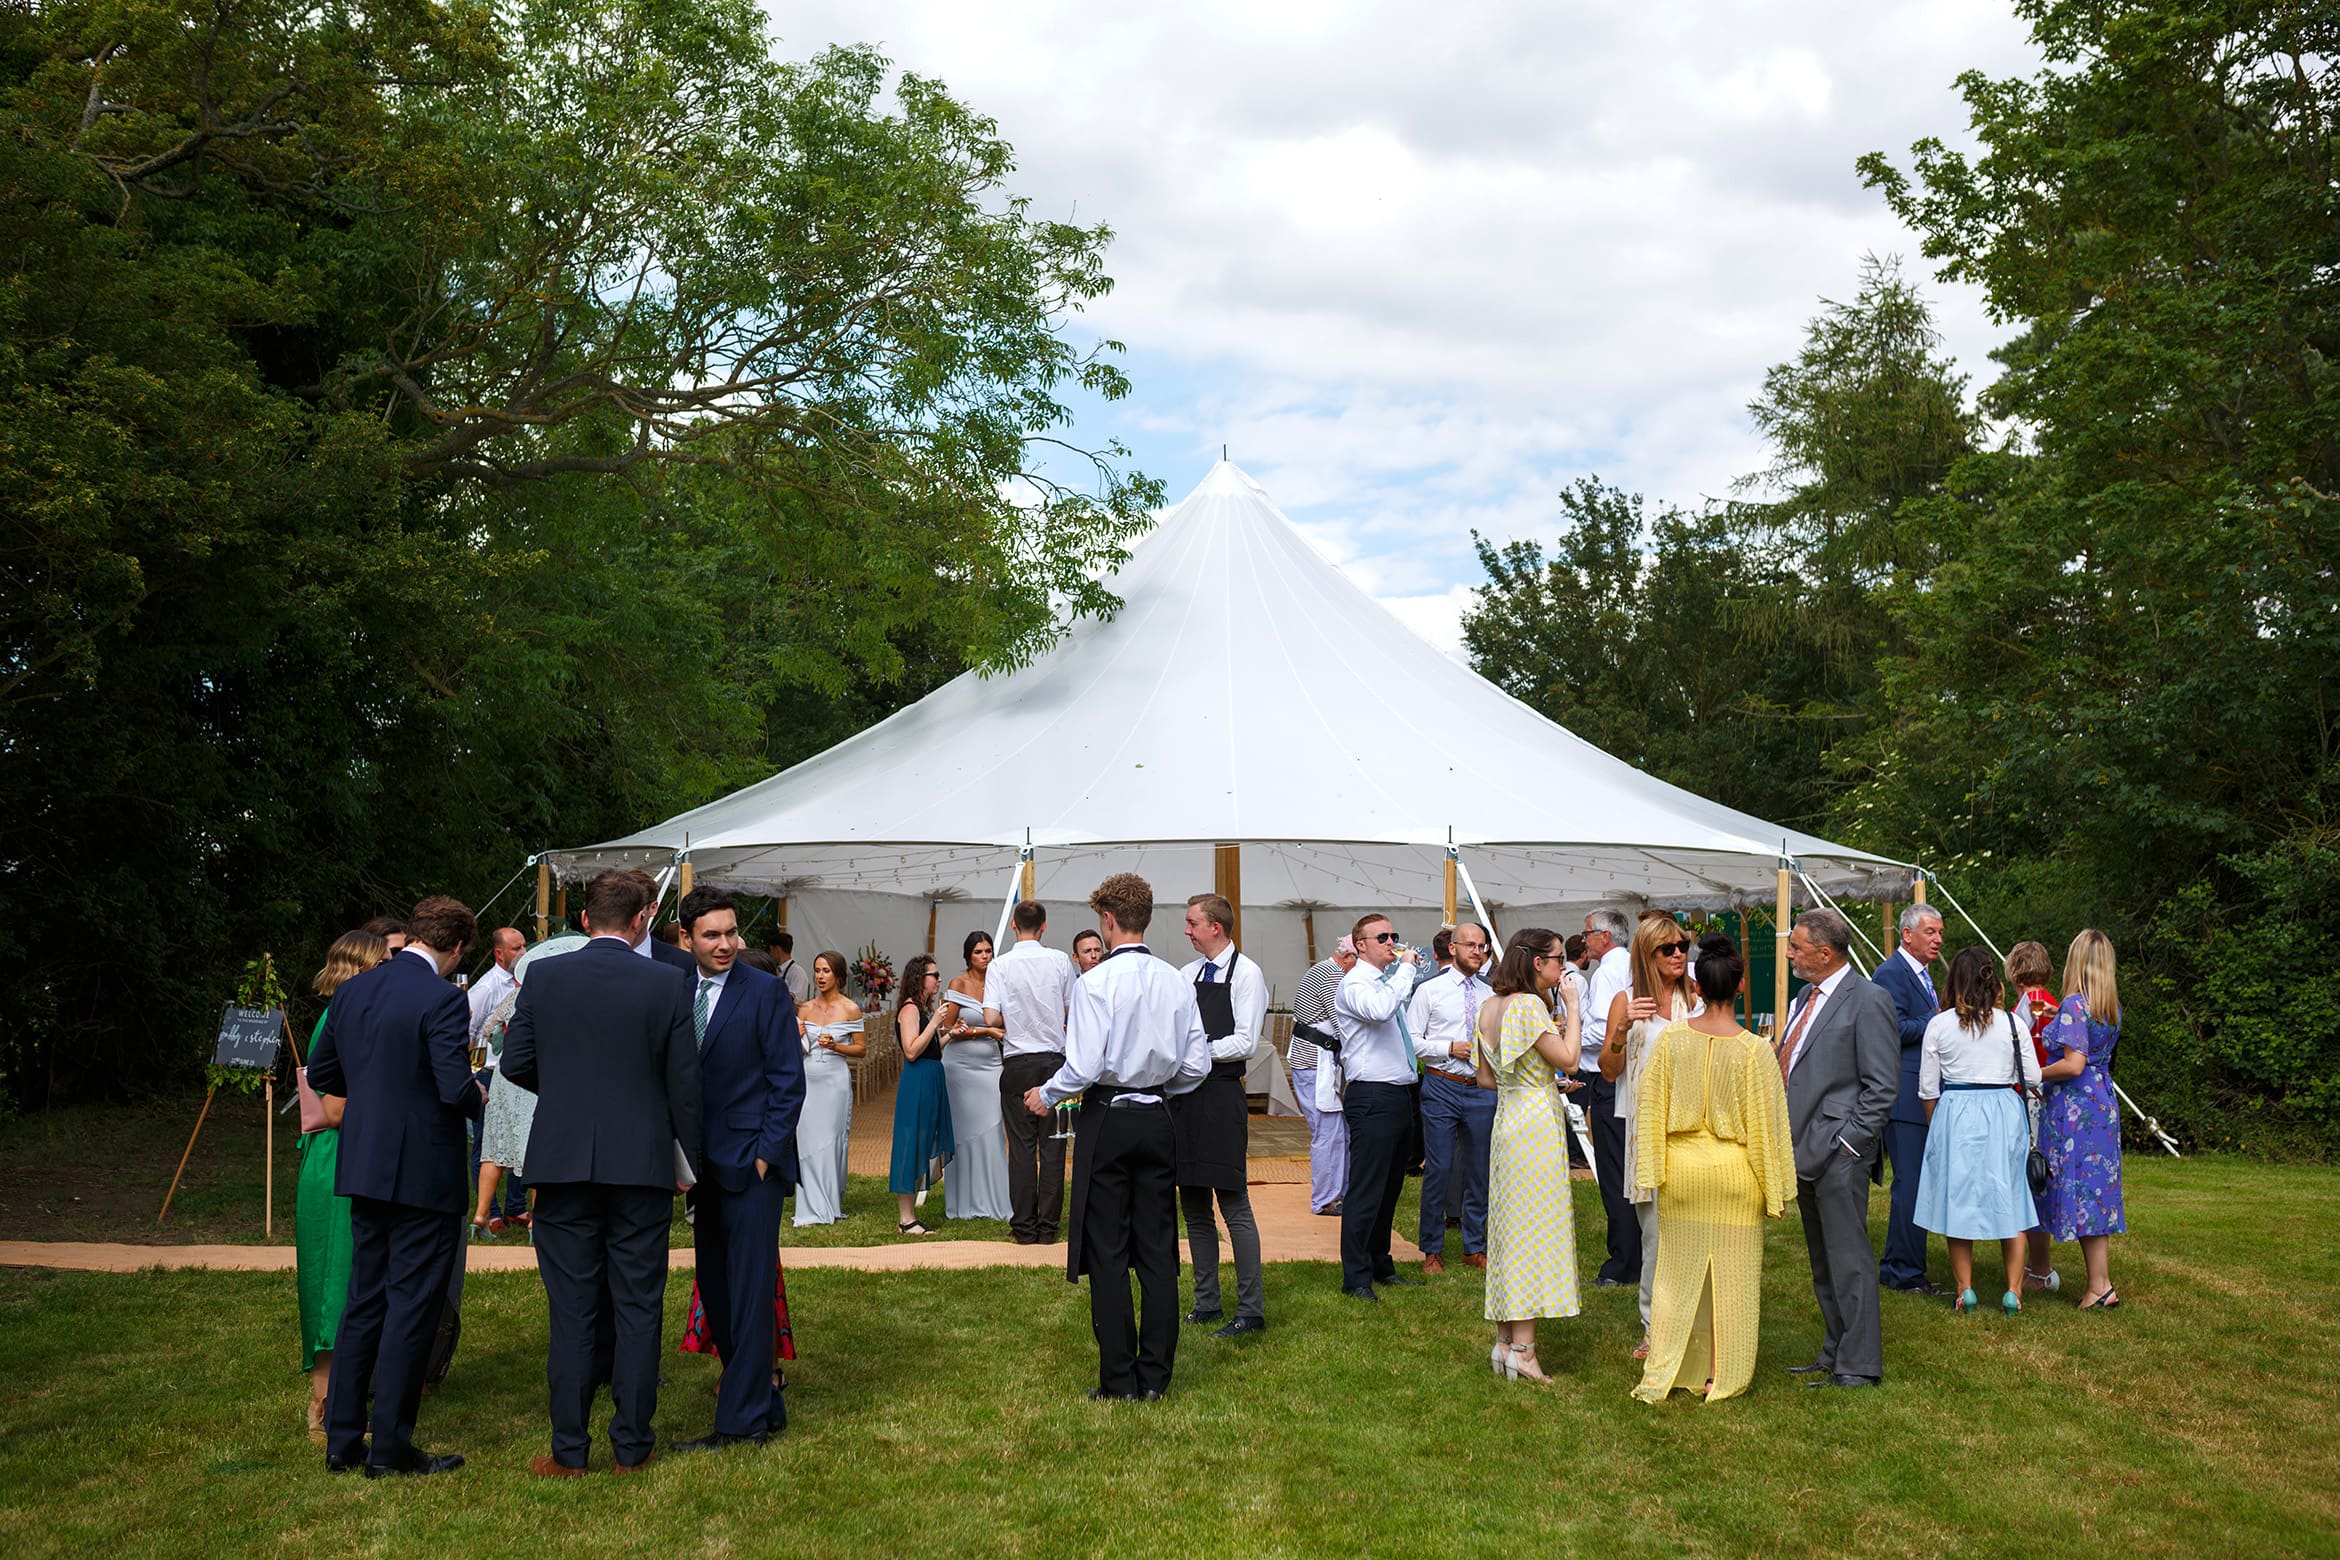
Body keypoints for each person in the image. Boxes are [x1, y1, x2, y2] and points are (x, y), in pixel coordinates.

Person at [500, 869, 702, 1477]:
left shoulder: (544, 975)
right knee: (639, 1305)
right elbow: (684, 1086)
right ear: (640, 919)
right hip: (639, 1162)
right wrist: (693, 1165)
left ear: (585, 919)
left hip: (562, 1162)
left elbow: (515, 1063)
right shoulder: (668, 982)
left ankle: (569, 1449)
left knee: (572, 1309)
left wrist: (564, 1097)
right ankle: (633, 1447)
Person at [305, 896, 486, 1477]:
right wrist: (478, 1092)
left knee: (365, 1298)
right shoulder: (442, 998)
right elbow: (452, 1086)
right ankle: (389, 1449)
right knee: (411, 1305)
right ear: (456, 948)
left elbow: (327, 1073)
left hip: (364, 1163)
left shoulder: (355, 991)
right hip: (424, 1172)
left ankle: (341, 1441)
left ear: (411, 934)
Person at [1020, 872, 1210, 1400]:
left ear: (1106, 922)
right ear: (1145, 917)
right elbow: (1196, 1063)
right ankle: (1155, 1379)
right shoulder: (1177, 980)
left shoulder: (1094, 982)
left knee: (1106, 1250)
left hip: (1107, 1116)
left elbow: (1081, 1066)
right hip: (1157, 1117)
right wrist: (1159, 1086)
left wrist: (1047, 1094)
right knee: (1156, 1246)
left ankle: (1120, 1380)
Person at [669, 887, 804, 1453]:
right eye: (711, 935)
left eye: (731, 933)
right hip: (697, 1170)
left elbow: (787, 1081)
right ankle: (764, 1404)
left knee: (749, 1293)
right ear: (685, 937)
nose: (725, 944)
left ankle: (740, 1423)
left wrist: (765, 1156)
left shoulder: (766, 991)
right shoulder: (673, 989)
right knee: (719, 1293)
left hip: (751, 1168)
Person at [1631, 934, 1793, 1404]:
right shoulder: (1755, 1050)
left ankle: (1664, 1370)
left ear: (1696, 986)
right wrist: (1775, 1188)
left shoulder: (1672, 1041)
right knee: (1735, 1281)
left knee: (1673, 1281)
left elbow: (1650, 1109)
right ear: (1741, 987)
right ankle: (1721, 1374)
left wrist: (1652, 1172)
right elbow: (1768, 1125)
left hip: (1682, 1173)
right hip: (1734, 1174)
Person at [1778, 907, 1901, 1390]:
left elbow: (1881, 1086)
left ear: (1824, 953)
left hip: (1838, 1153)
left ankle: (1860, 1363)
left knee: (1849, 1260)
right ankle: (1834, 1350)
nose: (1788, 953)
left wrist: (1849, 1145)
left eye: (1796, 947)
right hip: (1805, 1147)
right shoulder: (1807, 996)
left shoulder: (1868, 999)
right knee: (1823, 1260)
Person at [1474, 928, 1582, 1382]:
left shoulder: (1488, 1007)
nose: (1562, 970)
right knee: (1535, 1232)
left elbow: (1485, 1079)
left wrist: (1533, 1080)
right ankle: (1524, 1349)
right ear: (1537, 963)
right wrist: (1573, 1009)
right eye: (1558, 960)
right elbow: (1571, 1059)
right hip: (1535, 1126)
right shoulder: (1529, 1005)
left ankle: (1505, 1342)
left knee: (1508, 1229)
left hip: (1507, 1120)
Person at [1913, 945, 2044, 1316]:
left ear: (1954, 979)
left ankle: (1965, 1290)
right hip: (2003, 1109)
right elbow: (2032, 1077)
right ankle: (2013, 1291)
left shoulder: (1938, 1025)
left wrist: (1935, 1125)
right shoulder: (2012, 1025)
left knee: (1958, 1201)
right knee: (2012, 1198)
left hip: (1955, 1109)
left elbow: (1927, 1088)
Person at [296, 928, 389, 1440]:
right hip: (336, 1159)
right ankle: (325, 1407)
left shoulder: (346, 1016)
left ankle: (339, 1403)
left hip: (342, 1155)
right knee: (336, 1283)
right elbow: (333, 1107)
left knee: (349, 1278)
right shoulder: (340, 1019)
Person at [1598, 916, 1697, 1353]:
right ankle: (1654, 1325)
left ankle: (1695, 1321)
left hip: (1693, 1127)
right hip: (1647, 1128)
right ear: (1646, 953)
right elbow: (1608, 1069)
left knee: (1692, 1226)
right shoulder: (1627, 1000)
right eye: (1668, 949)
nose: (1678, 954)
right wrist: (1621, 1032)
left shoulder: (1696, 997)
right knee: (1654, 1232)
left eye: (1683, 946)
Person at [1174, 893, 1268, 1338]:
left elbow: (1246, 1041)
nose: (1187, 931)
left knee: (1234, 1206)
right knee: (1193, 1207)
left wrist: (1195, 1053)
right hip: (1184, 1099)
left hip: (1221, 1095)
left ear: (1216, 927)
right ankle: (1206, 1302)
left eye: (1193, 923)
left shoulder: (1247, 974)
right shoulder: (1186, 974)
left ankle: (1250, 1310)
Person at [1331, 913, 1428, 1300]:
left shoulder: (1387, 983)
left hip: (1399, 1093)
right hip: (1372, 1094)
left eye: (1394, 935)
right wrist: (1405, 970)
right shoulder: (1356, 983)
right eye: (1382, 937)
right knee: (1367, 1188)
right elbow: (1379, 1011)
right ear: (1361, 945)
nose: (1392, 942)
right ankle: (1355, 1276)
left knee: (1390, 1187)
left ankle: (1380, 1262)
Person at [2039, 929, 2126, 1310]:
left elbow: (2073, 1064)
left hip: (2076, 1110)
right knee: (2097, 1192)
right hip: (2102, 1103)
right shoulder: (2109, 1006)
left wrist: (2031, 1074)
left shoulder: (2075, 1004)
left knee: (2080, 1190)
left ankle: (2099, 1286)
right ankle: (2101, 1284)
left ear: (2077, 961)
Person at [986, 901, 1079, 1245]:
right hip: (1055, 1063)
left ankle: (1024, 1227)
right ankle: (1048, 1228)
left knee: (1022, 1150)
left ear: (1013, 925)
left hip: (1017, 1062)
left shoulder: (999, 965)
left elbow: (992, 1017)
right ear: (1044, 927)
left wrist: (1014, 1017)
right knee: (1053, 1148)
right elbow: (1071, 1008)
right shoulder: (1058, 961)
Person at [1406, 922, 1495, 1274]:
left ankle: (1475, 1247)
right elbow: (1411, 1041)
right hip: (1442, 1085)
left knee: (1480, 1170)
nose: (1477, 951)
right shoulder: (1430, 991)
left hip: (1481, 1088)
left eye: (1482, 946)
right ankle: (1431, 1249)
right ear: (1453, 948)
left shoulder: (1490, 995)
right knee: (1439, 1169)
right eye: (1470, 945)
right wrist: (1448, 1048)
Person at [1872, 903, 1947, 1295]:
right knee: (1912, 1184)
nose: (1938, 940)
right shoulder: (1890, 974)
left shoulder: (1921, 974)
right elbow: (1891, 1027)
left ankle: (1899, 1265)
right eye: (1930, 932)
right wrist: (1938, 1020)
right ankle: (1902, 1271)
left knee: (1918, 1183)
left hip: (1923, 1092)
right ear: (1907, 934)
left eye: (1939, 933)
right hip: (1905, 1095)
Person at [1578, 909, 1639, 1287]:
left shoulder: (1605, 974)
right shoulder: (1636, 965)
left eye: (1587, 934)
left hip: (1608, 1075)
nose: (1583, 940)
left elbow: (1604, 1030)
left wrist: (1567, 1034)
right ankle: (1637, 1253)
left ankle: (1623, 1261)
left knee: (1615, 1171)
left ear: (1604, 937)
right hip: (1636, 1076)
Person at [940, 931, 1012, 1220]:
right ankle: (963, 1202)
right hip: (959, 1067)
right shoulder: (958, 984)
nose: (984, 957)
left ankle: (994, 1200)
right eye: (978, 952)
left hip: (991, 1065)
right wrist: (986, 1030)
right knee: (963, 1133)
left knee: (992, 1130)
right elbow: (946, 1030)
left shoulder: (999, 983)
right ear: (968, 955)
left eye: (988, 951)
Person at [2004, 940, 2062, 1292]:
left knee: (2033, 1179)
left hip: (2033, 1097)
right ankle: (2036, 1265)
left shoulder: (2033, 1006)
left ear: (2014, 970)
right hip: (2044, 1095)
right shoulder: (2050, 1002)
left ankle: (2039, 1269)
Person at [791, 950, 863, 1227]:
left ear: (839, 975)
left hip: (835, 1081)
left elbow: (861, 1049)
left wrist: (837, 1046)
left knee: (830, 1141)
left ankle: (830, 1202)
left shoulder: (850, 1009)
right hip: (808, 1078)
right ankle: (808, 1205)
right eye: (817, 970)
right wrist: (794, 1037)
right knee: (807, 1140)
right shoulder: (805, 1008)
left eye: (826, 971)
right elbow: (794, 1050)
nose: (820, 976)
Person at [1287, 936, 1355, 1217]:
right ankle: (1325, 1199)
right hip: (1314, 1062)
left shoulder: (1325, 971)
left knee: (1334, 1130)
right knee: (1328, 1131)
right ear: (1347, 958)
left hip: (1316, 1062)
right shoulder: (1331, 976)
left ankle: (1337, 1193)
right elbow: (1343, 1023)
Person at [888, 954, 955, 1233]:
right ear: (919, 978)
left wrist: (951, 1034)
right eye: (934, 975)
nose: (939, 979)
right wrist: (935, 1021)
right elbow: (912, 1050)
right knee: (912, 1143)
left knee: (924, 1139)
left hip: (930, 1078)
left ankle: (910, 1216)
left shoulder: (921, 1009)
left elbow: (929, 1047)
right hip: (918, 1081)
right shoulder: (910, 1010)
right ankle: (906, 1219)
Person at [465, 927, 528, 1224]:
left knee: (520, 1143)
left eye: (524, 946)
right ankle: (489, 1212)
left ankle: (516, 1207)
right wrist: (474, 1066)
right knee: (486, 1144)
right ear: (499, 953)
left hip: (521, 1077)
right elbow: (469, 1028)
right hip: (491, 1073)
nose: (523, 953)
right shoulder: (487, 987)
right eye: (515, 949)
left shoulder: (528, 983)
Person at [768, 931, 812, 1009]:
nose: (770, 954)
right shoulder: (776, 970)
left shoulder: (797, 973)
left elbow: (796, 1000)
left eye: (771, 950)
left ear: (777, 950)